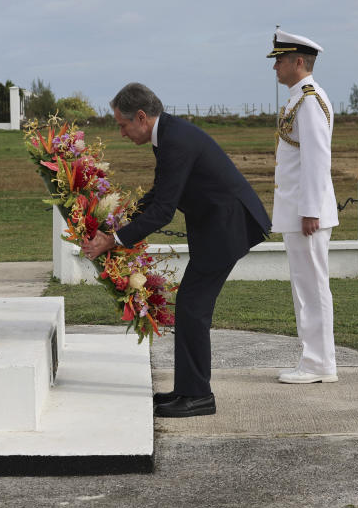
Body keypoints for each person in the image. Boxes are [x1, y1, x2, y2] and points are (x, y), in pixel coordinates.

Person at [82, 83, 271, 418]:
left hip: (227, 227)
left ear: (141, 117)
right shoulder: (167, 135)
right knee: (190, 304)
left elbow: (163, 210)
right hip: (217, 226)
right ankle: (188, 390)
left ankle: (198, 396)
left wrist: (113, 240)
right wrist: (122, 221)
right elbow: (160, 193)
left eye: (123, 125)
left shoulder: (175, 140)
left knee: (193, 306)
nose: (122, 133)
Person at [268, 30, 339, 384]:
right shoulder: (300, 98)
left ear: (299, 62)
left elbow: (316, 159)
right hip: (300, 212)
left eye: (280, 59)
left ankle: (318, 364)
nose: (275, 66)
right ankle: (315, 360)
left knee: (311, 288)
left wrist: (310, 210)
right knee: (305, 287)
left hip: (306, 215)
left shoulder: (309, 100)